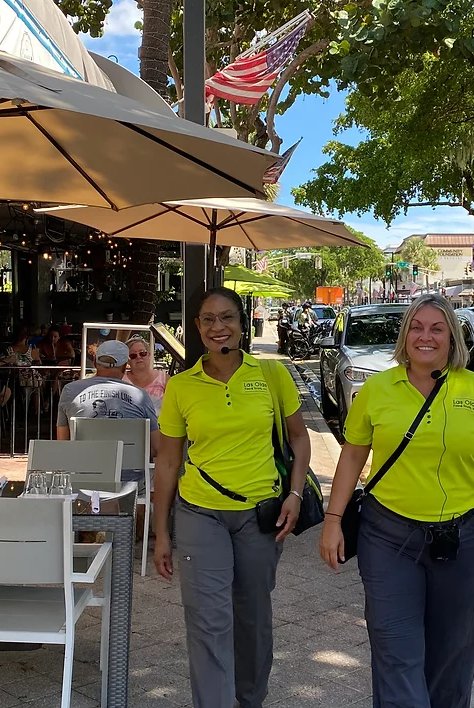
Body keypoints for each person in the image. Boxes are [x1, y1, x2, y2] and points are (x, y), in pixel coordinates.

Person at [318, 294, 474, 708]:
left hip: (462, 539)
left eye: (437, 328)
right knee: (396, 652)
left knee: (452, 659)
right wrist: (332, 520)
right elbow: (352, 457)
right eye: (416, 327)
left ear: (452, 338)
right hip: (388, 538)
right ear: (404, 336)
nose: (425, 336)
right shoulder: (378, 389)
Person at [154, 287, 312, 708]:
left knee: (254, 618)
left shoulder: (272, 376)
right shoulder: (182, 387)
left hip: (260, 515)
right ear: (197, 328)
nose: (217, 327)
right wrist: (160, 533)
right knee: (208, 621)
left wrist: (294, 494)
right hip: (199, 513)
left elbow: (299, 439)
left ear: (243, 324)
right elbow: (168, 464)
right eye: (207, 319)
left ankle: (250, 699)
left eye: (226, 318)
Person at [56, 340, 159, 484]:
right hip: (130, 481)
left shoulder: (69, 391)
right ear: (124, 367)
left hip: (83, 477)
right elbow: (155, 447)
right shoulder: (140, 396)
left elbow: (63, 443)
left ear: (96, 364)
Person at [124, 337, 169, 413]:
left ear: (149, 355)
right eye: (133, 355)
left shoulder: (164, 379)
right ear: (127, 360)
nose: (138, 357)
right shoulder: (121, 379)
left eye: (142, 353)